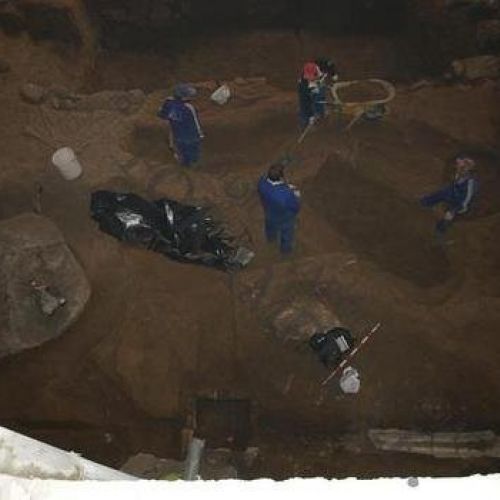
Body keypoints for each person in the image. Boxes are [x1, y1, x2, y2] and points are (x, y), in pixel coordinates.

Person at [420, 156, 478, 234]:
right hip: (454, 194)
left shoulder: (470, 183)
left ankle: (441, 231)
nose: (457, 168)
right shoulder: (459, 175)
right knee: (443, 192)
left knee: (448, 215)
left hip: (460, 201)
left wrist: (457, 208)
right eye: (458, 166)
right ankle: (425, 203)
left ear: (466, 170)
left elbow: (467, 198)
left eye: (461, 167)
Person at [257, 163, 301, 255]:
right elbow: (295, 207)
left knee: (270, 227)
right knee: (287, 234)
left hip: (269, 212)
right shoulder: (286, 194)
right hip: (284, 217)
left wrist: (285, 187)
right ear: (281, 177)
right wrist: (296, 194)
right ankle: (285, 251)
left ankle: (271, 239)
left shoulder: (261, 183)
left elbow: (273, 189)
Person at [158, 84, 204, 167]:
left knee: (180, 151)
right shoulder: (189, 108)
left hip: (176, 134)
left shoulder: (168, 102)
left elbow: (162, 114)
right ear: (184, 97)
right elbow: (195, 122)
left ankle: (183, 163)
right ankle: (189, 166)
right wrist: (200, 135)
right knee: (192, 155)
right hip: (190, 136)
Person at [297, 59, 337, 130]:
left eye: (312, 77)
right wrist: (311, 116)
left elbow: (331, 65)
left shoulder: (323, 64)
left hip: (319, 84)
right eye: (308, 77)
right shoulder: (303, 83)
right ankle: (305, 124)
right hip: (307, 89)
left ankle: (320, 113)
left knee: (320, 95)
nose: (310, 79)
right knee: (305, 107)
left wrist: (334, 74)